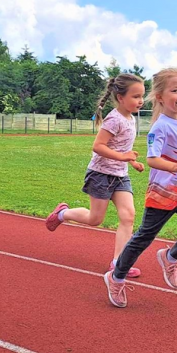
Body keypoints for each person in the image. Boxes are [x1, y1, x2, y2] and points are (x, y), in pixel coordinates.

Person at [104, 68, 177, 308]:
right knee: (143, 237)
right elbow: (152, 159)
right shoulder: (159, 127)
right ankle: (116, 276)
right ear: (160, 97)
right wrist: (173, 166)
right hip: (162, 193)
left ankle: (170, 256)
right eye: (175, 90)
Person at [46, 73, 146, 278]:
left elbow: (122, 147)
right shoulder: (114, 119)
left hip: (120, 175)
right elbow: (98, 146)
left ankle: (119, 263)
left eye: (141, 96)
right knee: (95, 219)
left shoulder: (131, 119)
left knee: (128, 216)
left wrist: (131, 161)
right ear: (120, 98)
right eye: (136, 96)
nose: (141, 101)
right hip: (100, 175)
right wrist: (122, 156)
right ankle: (62, 213)